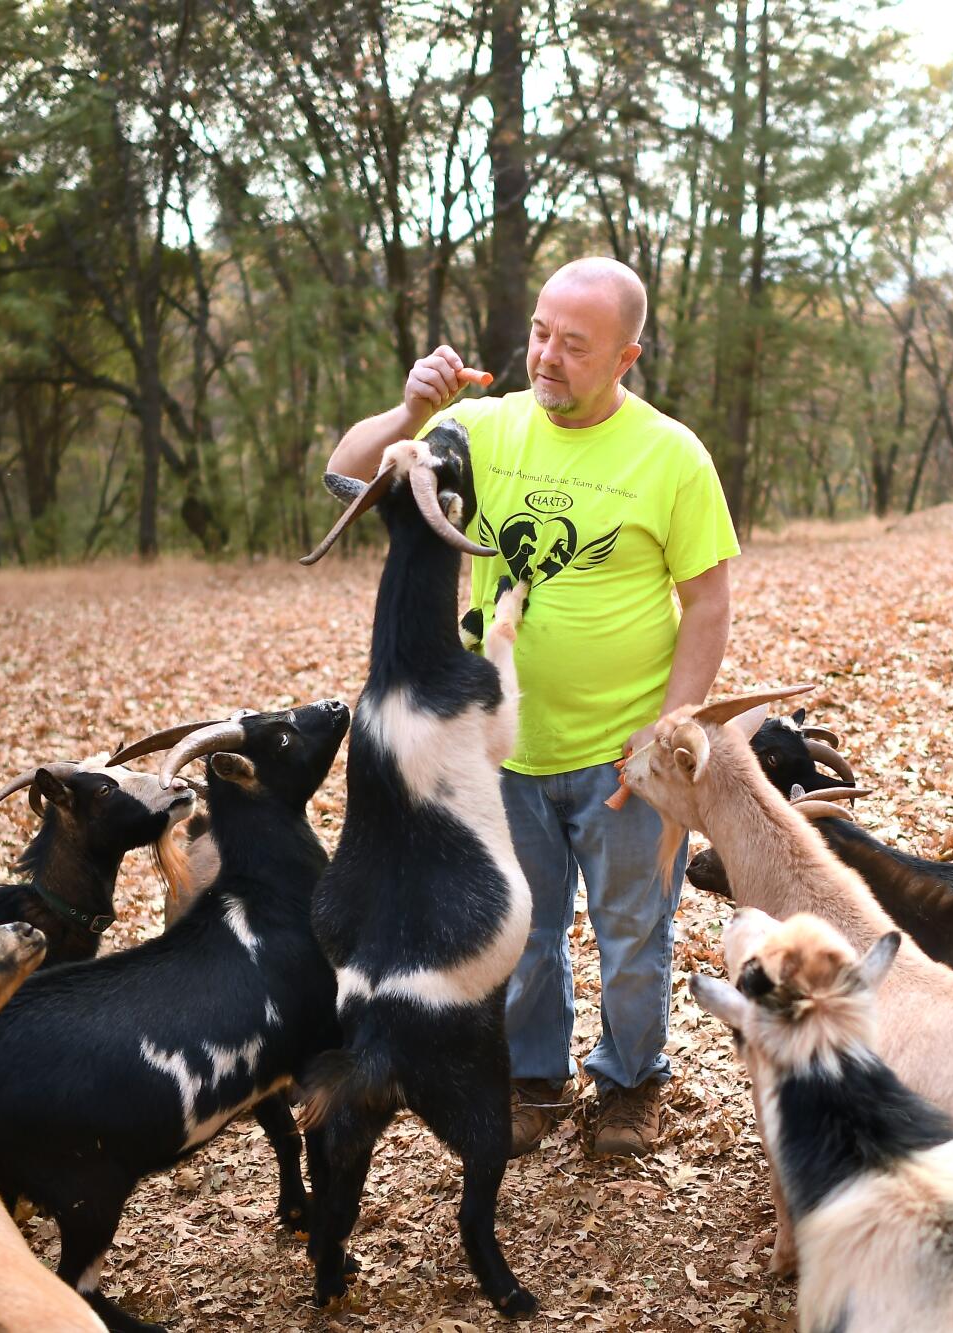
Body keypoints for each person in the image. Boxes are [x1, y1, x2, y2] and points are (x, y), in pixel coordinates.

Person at [328, 257, 737, 1157]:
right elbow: (345, 478)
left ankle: (631, 1084)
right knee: (525, 932)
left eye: (573, 345)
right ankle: (535, 1082)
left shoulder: (672, 455)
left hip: (626, 756)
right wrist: (408, 414)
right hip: (501, 751)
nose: (545, 356)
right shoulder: (480, 427)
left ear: (627, 355)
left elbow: (707, 600)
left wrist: (670, 736)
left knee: (634, 935)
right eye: (540, 333)